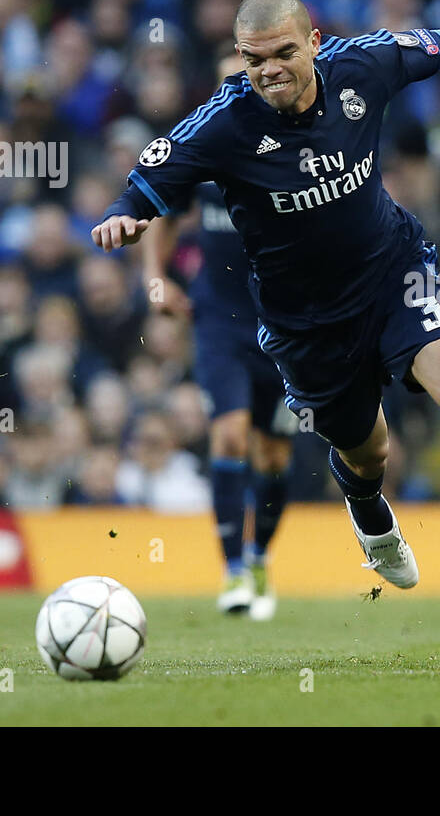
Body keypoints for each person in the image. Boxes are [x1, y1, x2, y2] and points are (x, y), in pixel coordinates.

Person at [92, 0, 440, 593]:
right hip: (305, 323)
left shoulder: (363, 64)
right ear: (240, 57)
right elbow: (150, 173)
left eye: (283, 52)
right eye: (254, 60)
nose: (270, 70)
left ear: (314, 42)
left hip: (394, 274)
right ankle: (368, 513)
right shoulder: (225, 122)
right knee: (367, 456)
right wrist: (124, 214)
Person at [141, 139, 295, 619]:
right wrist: (156, 277)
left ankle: (259, 557)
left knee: (273, 455)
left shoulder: (294, 161)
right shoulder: (205, 155)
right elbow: (161, 209)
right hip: (218, 324)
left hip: (285, 325)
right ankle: (232, 572)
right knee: (229, 436)